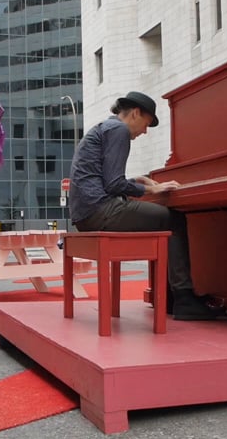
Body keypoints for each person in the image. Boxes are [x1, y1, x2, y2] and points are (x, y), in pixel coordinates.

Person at [68, 91, 216, 320]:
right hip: (100, 211)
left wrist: (135, 181)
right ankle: (184, 298)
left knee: (163, 219)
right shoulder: (119, 130)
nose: (145, 132)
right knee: (174, 219)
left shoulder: (103, 128)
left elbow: (107, 181)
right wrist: (152, 189)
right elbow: (114, 184)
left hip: (85, 213)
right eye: (146, 125)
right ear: (136, 114)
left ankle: (169, 298)